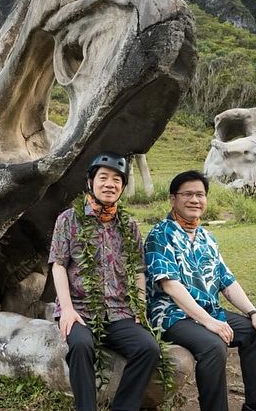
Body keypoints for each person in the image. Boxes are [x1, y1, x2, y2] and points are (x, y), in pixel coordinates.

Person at [145, 170, 256, 411]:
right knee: (213, 346)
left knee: (254, 332)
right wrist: (209, 322)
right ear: (172, 199)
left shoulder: (207, 237)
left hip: (208, 311)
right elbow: (170, 286)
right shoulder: (160, 234)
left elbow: (227, 281)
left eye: (200, 194)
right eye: (187, 194)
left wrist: (253, 312)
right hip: (172, 316)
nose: (194, 200)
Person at [49, 152, 161, 411]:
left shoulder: (129, 224)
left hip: (119, 311)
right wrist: (66, 310)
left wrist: (139, 308)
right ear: (91, 181)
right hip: (80, 309)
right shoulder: (68, 219)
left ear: (122, 187)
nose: (110, 184)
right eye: (103, 178)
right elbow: (58, 265)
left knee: (148, 348)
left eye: (117, 180)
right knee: (80, 345)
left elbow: (139, 270)